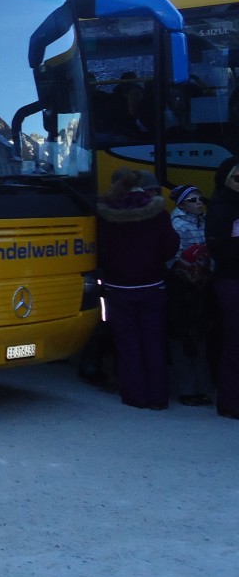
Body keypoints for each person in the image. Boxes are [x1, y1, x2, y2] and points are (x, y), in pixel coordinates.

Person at [95, 168, 179, 410]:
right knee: (154, 342)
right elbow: (170, 247)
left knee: (127, 343)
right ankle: (158, 398)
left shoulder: (106, 214)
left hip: (118, 287)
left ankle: (135, 396)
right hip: (152, 285)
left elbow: (100, 252)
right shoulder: (158, 212)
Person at [166, 184, 213, 407]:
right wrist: (187, 269)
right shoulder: (177, 224)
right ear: (182, 204)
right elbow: (173, 258)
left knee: (199, 337)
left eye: (200, 199)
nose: (199, 203)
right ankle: (187, 389)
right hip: (182, 287)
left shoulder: (202, 222)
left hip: (201, 284)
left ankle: (201, 387)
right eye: (192, 200)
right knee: (183, 337)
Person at [205, 156, 239, 419]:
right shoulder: (222, 207)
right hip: (231, 280)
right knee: (234, 342)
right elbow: (219, 248)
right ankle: (229, 402)